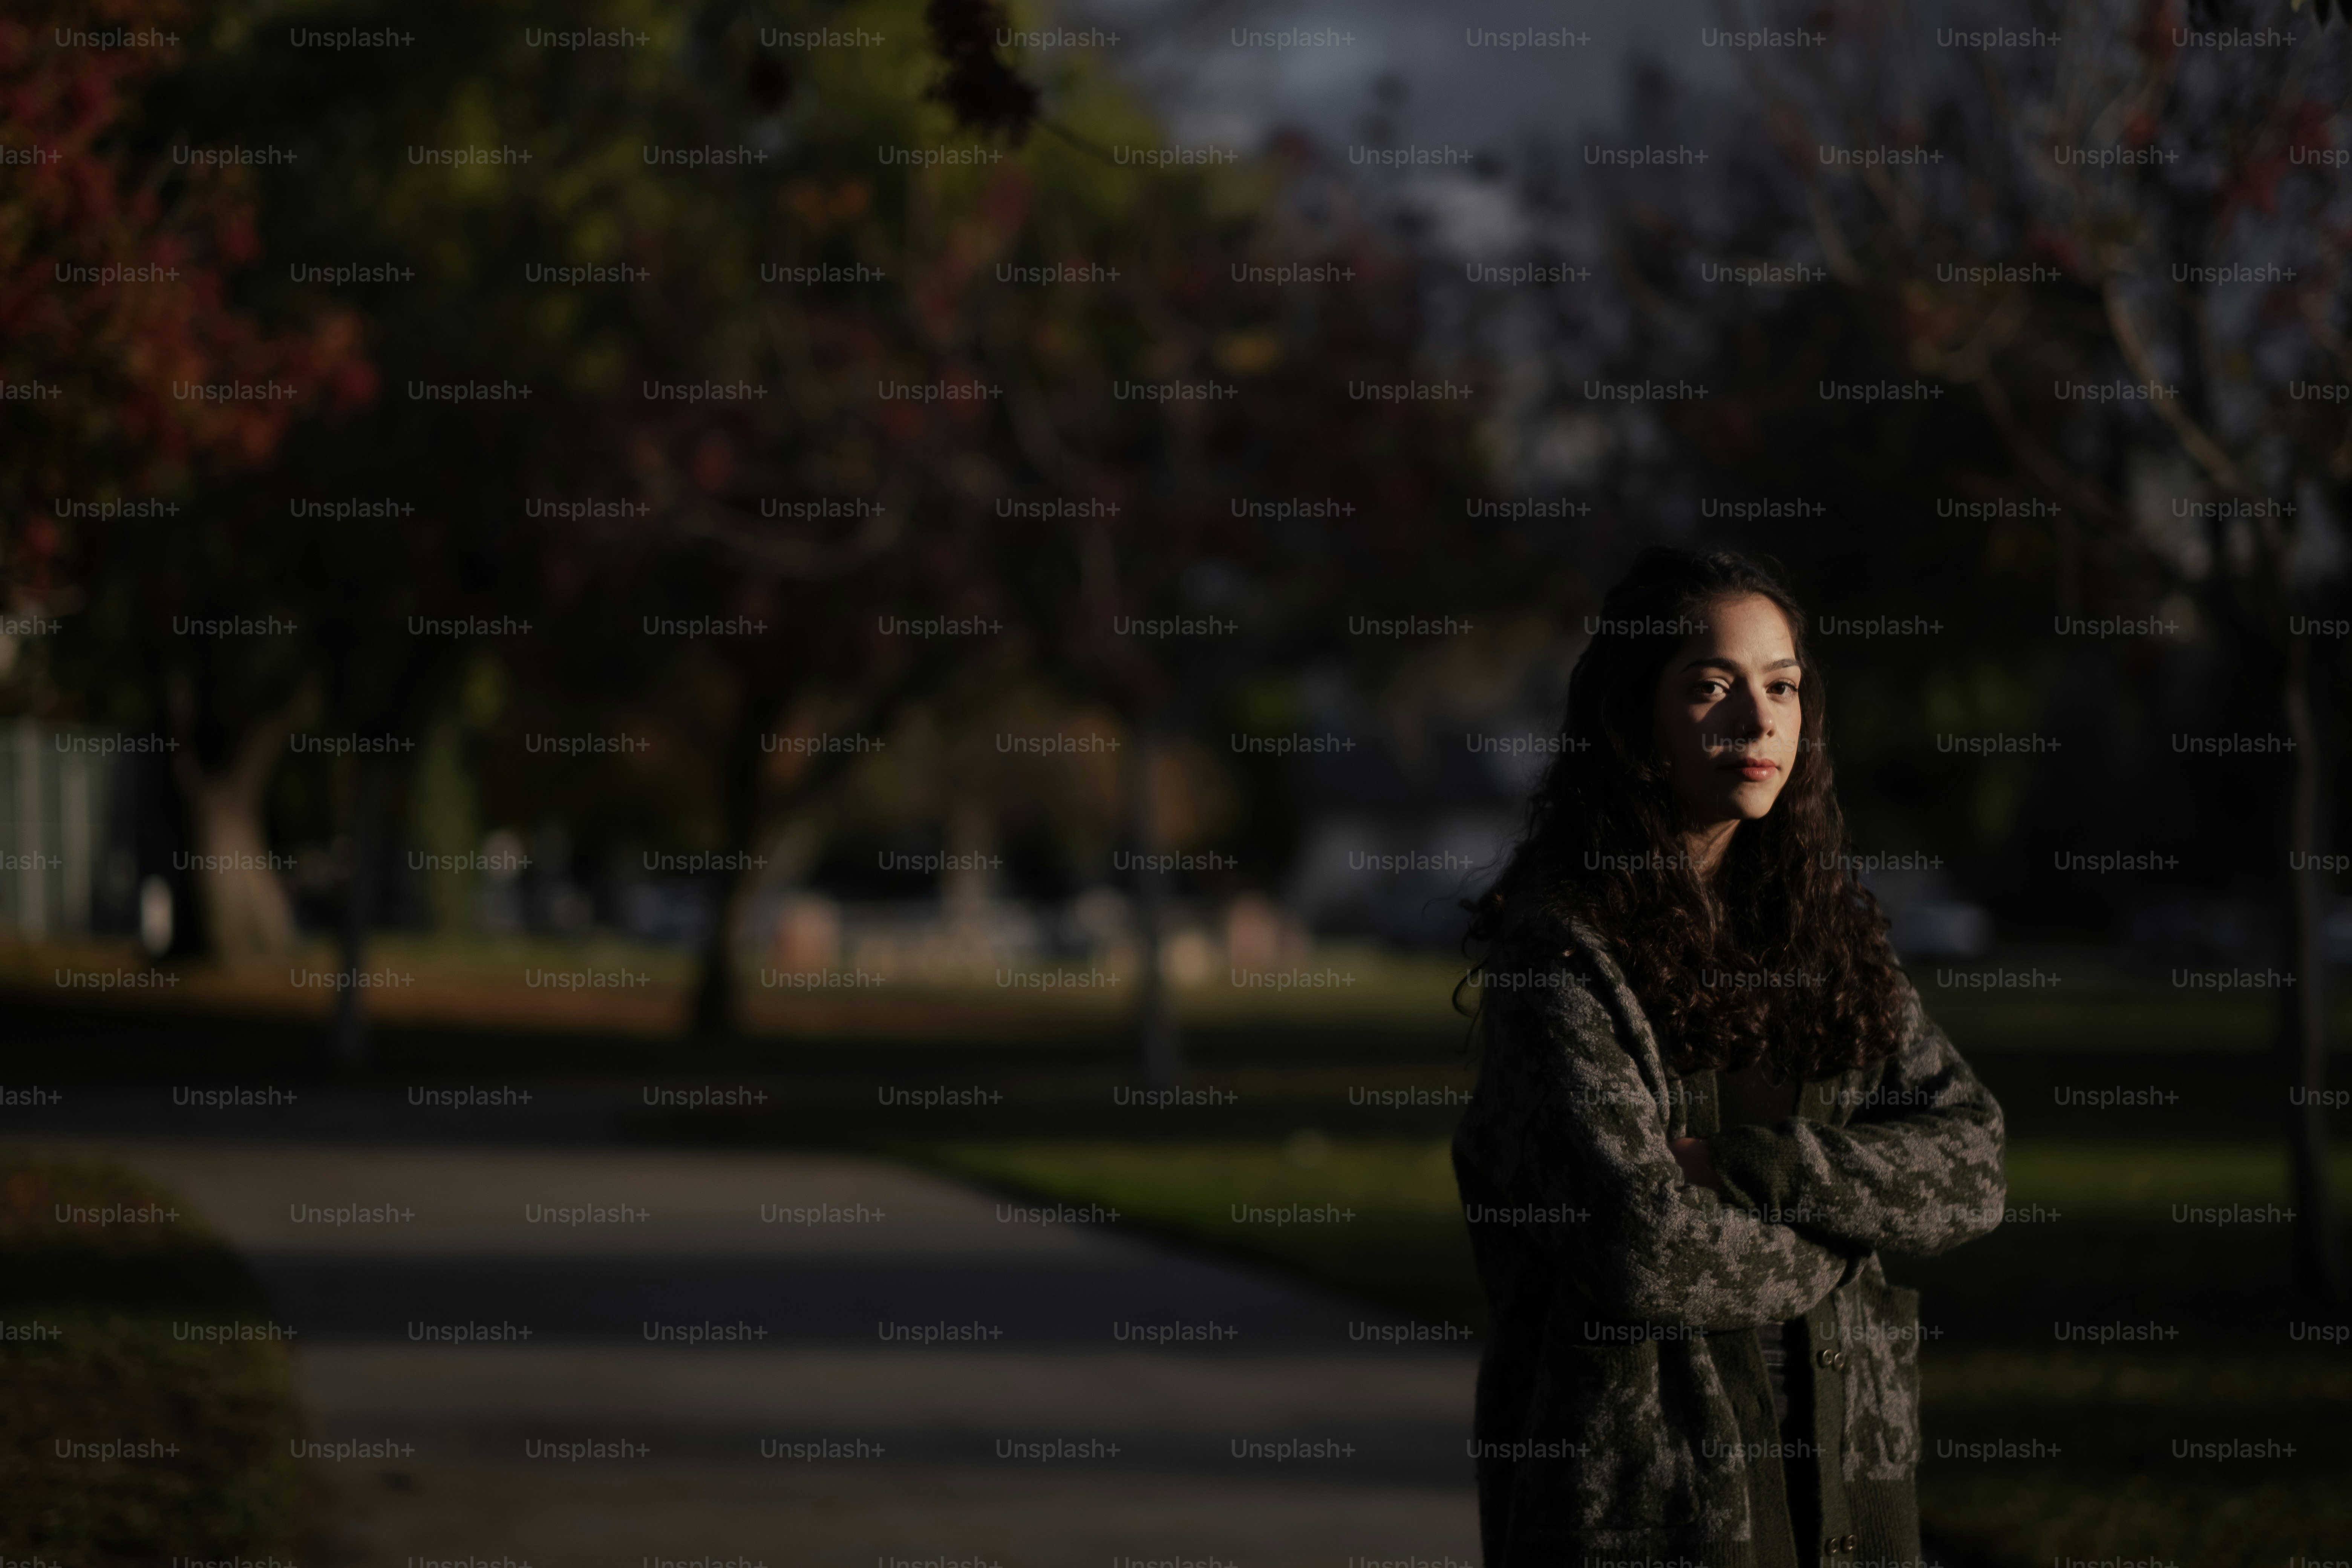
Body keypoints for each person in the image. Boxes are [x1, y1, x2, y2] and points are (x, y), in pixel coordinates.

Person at [1453, 547, 2006, 1568]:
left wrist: (1768, 1170)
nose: (1757, 723)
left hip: (1850, 1498)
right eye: (1712, 688)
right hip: (1654, 1509)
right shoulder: (1564, 957)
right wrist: (1850, 1237)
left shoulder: (1833, 939)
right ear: (1633, 717)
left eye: (1782, 688)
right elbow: (1646, 1249)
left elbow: (1972, 1164)